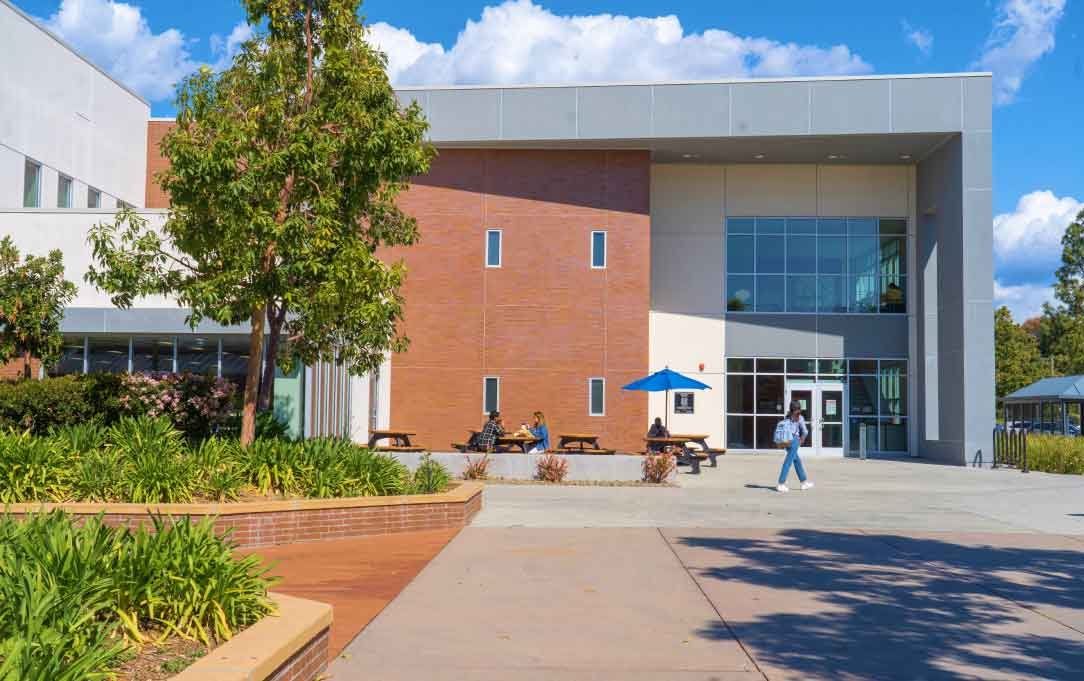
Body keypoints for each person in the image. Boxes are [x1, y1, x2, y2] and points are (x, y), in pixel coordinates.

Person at [776, 401, 813, 493]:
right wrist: (801, 440)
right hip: (794, 441)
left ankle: (804, 482)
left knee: (797, 461)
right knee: (788, 462)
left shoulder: (787, 416)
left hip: (786, 441)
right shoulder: (800, 418)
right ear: (799, 409)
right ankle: (781, 483)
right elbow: (805, 431)